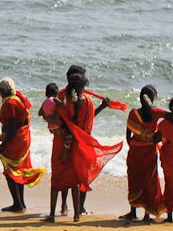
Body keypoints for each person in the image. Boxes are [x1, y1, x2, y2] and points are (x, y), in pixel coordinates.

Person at [46, 72, 120, 222]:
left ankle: (53, 215)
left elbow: (54, 119)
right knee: (75, 180)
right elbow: (88, 124)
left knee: (57, 178)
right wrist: (103, 106)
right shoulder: (88, 102)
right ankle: (76, 215)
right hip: (78, 144)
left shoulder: (61, 99)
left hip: (61, 142)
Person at [0, 78, 45, 213]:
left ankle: (18, 204)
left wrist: (2, 146)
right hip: (23, 137)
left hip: (16, 139)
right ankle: (21, 203)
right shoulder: (17, 98)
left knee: (10, 171)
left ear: (2, 91)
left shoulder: (9, 103)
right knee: (19, 170)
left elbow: (11, 127)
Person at [119, 85, 167, 222]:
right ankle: (147, 214)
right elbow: (170, 118)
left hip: (135, 152)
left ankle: (133, 212)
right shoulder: (156, 113)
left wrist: (135, 146)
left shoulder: (133, 113)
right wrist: (158, 135)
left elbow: (128, 135)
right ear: (152, 99)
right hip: (150, 151)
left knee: (134, 181)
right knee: (149, 182)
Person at [38, 83, 68, 216]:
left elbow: (40, 113)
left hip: (51, 128)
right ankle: (64, 205)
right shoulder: (55, 100)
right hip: (58, 127)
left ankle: (62, 206)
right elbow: (62, 107)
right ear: (56, 94)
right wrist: (63, 101)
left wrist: (46, 116)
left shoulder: (45, 101)